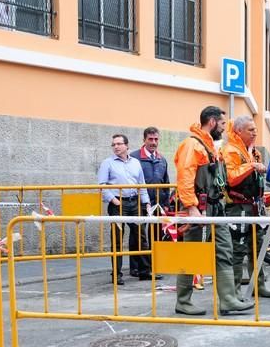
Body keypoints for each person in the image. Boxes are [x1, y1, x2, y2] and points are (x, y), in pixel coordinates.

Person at [173, 106, 254, 315]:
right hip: (199, 208)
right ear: (211, 121)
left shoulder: (210, 146)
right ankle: (183, 301)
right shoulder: (192, 145)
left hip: (215, 208)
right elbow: (185, 176)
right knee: (191, 254)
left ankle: (228, 299)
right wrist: (191, 207)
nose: (224, 128)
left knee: (225, 250)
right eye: (222, 123)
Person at [221, 116, 270, 300]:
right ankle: (234, 292)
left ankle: (258, 285)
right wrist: (252, 165)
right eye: (251, 130)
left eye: (255, 129)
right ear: (238, 131)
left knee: (258, 247)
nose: (255, 133)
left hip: (254, 206)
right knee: (237, 251)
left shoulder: (252, 151)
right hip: (238, 208)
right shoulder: (230, 150)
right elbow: (231, 177)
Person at [98, 134, 153, 285]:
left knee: (141, 237)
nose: (116, 147)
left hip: (134, 203)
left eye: (119, 144)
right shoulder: (107, 163)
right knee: (117, 240)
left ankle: (145, 271)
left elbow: (141, 185)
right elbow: (102, 185)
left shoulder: (135, 163)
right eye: (113, 144)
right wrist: (113, 200)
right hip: (118, 204)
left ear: (127, 146)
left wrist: (146, 202)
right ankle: (116, 274)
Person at [129, 126, 169, 280]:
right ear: (144, 140)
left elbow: (166, 182)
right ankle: (135, 268)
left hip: (157, 203)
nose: (153, 142)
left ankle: (151, 266)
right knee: (137, 235)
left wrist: (165, 203)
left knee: (155, 235)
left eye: (156, 139)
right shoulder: (134, 158)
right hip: (139, 203)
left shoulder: (161, 159)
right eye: (150, 139)